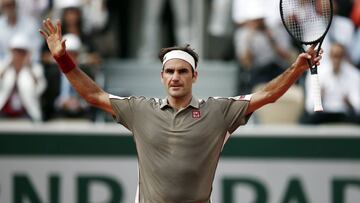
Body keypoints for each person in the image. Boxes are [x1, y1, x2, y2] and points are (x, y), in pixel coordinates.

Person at [40, 18, 322, 203]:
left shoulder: (219, 111)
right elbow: (92, 94)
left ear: (194, 77)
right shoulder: (139, 110)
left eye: (182, 71)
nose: (176, 77)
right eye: (170, 71)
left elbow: (269, 94)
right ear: (162, 77)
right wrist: (63, 59)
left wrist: (297, 68)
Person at [0, 33, 46, 122]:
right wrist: (8, 66)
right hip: (4, 112)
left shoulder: (35, 68)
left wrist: (29, 67)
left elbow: (40, 89)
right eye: (15, 51)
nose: (18, 54)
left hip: (27, 114)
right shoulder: (3, 66)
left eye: (21, 51)